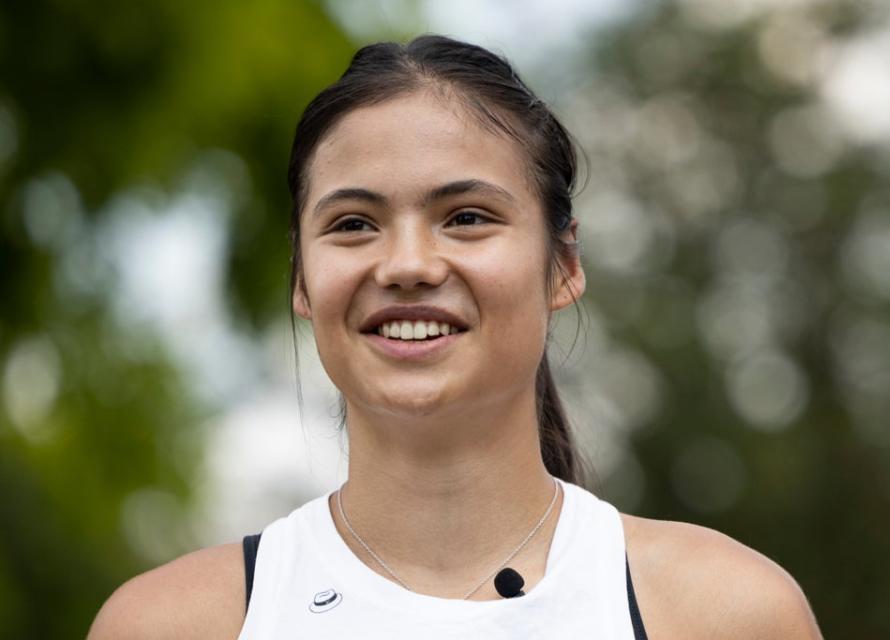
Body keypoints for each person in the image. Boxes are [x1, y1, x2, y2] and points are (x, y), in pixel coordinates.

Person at [88, 35, 822, 639]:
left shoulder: (725, 613)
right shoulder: (172, 624)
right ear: (303, 282)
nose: (407, 264)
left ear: (563, 265)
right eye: (353, 225)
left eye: (467, 216)